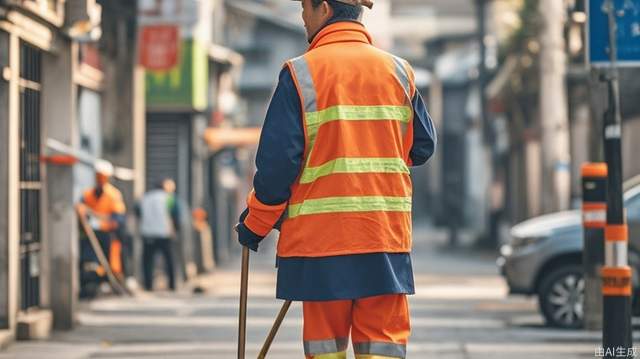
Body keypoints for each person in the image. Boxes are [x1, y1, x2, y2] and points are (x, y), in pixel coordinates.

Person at [235, 1, 437, 358]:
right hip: (384, 241)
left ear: (324, 8)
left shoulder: (300, 74)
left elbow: (277, 166)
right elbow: (423, 147)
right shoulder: (399, 72)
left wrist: (256, 224)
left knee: (326, 349)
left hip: (322, 246)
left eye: (304, 8)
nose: (302, 17)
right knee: (383, 348)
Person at [77, 160, 127, 291]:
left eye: (103, 177)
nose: (100, 179)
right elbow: (80, 208)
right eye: (98, 176)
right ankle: (89, 282)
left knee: (112, 260)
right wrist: (81, 211)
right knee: (87, 258)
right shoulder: (87, 194)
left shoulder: (113, 195)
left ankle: (111, 281)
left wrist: (105, 221)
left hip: (107, 234)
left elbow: (118, 218)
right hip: (90, 234)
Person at [136, 178, 181, 291]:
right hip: (164, 233)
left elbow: (137, 212)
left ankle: (148, 285)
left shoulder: (144, 198)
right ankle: (172, 285)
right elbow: (175, 214)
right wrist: (176, 229)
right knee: (169, 260)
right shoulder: (169, 198)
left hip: (147, 233)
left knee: (147, 260)